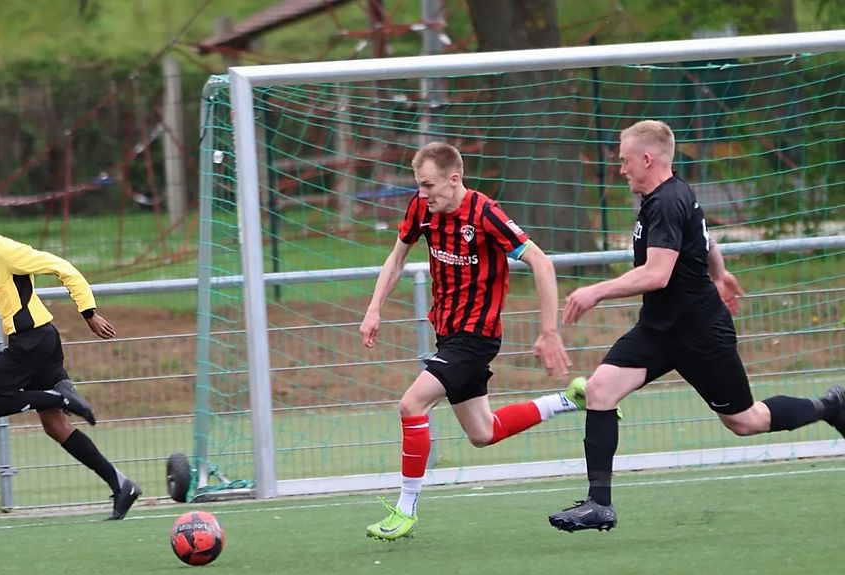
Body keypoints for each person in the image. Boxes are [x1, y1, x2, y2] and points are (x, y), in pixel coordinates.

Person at [548, 120, 845, 533]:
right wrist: (721, 274)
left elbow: (657, 274)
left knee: (746, 421)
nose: (621, 170)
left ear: (647, 159)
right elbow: (706, 240)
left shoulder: (669, 200)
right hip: (658, 330)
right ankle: (599, 504)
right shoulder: (668, 196)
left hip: (700, 334)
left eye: (625, 161)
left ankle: (830, 406)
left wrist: (596, 291)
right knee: (600, 389)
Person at [360, 141, 588, 542]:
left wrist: (549, 331)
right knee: (483, 432)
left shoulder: (485, 213)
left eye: (428, 185)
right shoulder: (422, 209)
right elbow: (396, 259)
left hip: (475, 337)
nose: (422, 193)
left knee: (412, 404)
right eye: (419, 185)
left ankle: (405, 509)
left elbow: (541, 261)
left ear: (454, 178)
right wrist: (374, 307)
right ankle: (569, 400)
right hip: (448, 334)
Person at [0, 187, 142, 520]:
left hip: (32, 340)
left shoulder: (7, 251)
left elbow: (63, 267)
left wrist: (89, 312)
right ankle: (121, 484)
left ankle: (59, 397)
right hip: (36, 341)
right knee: (55, 426)